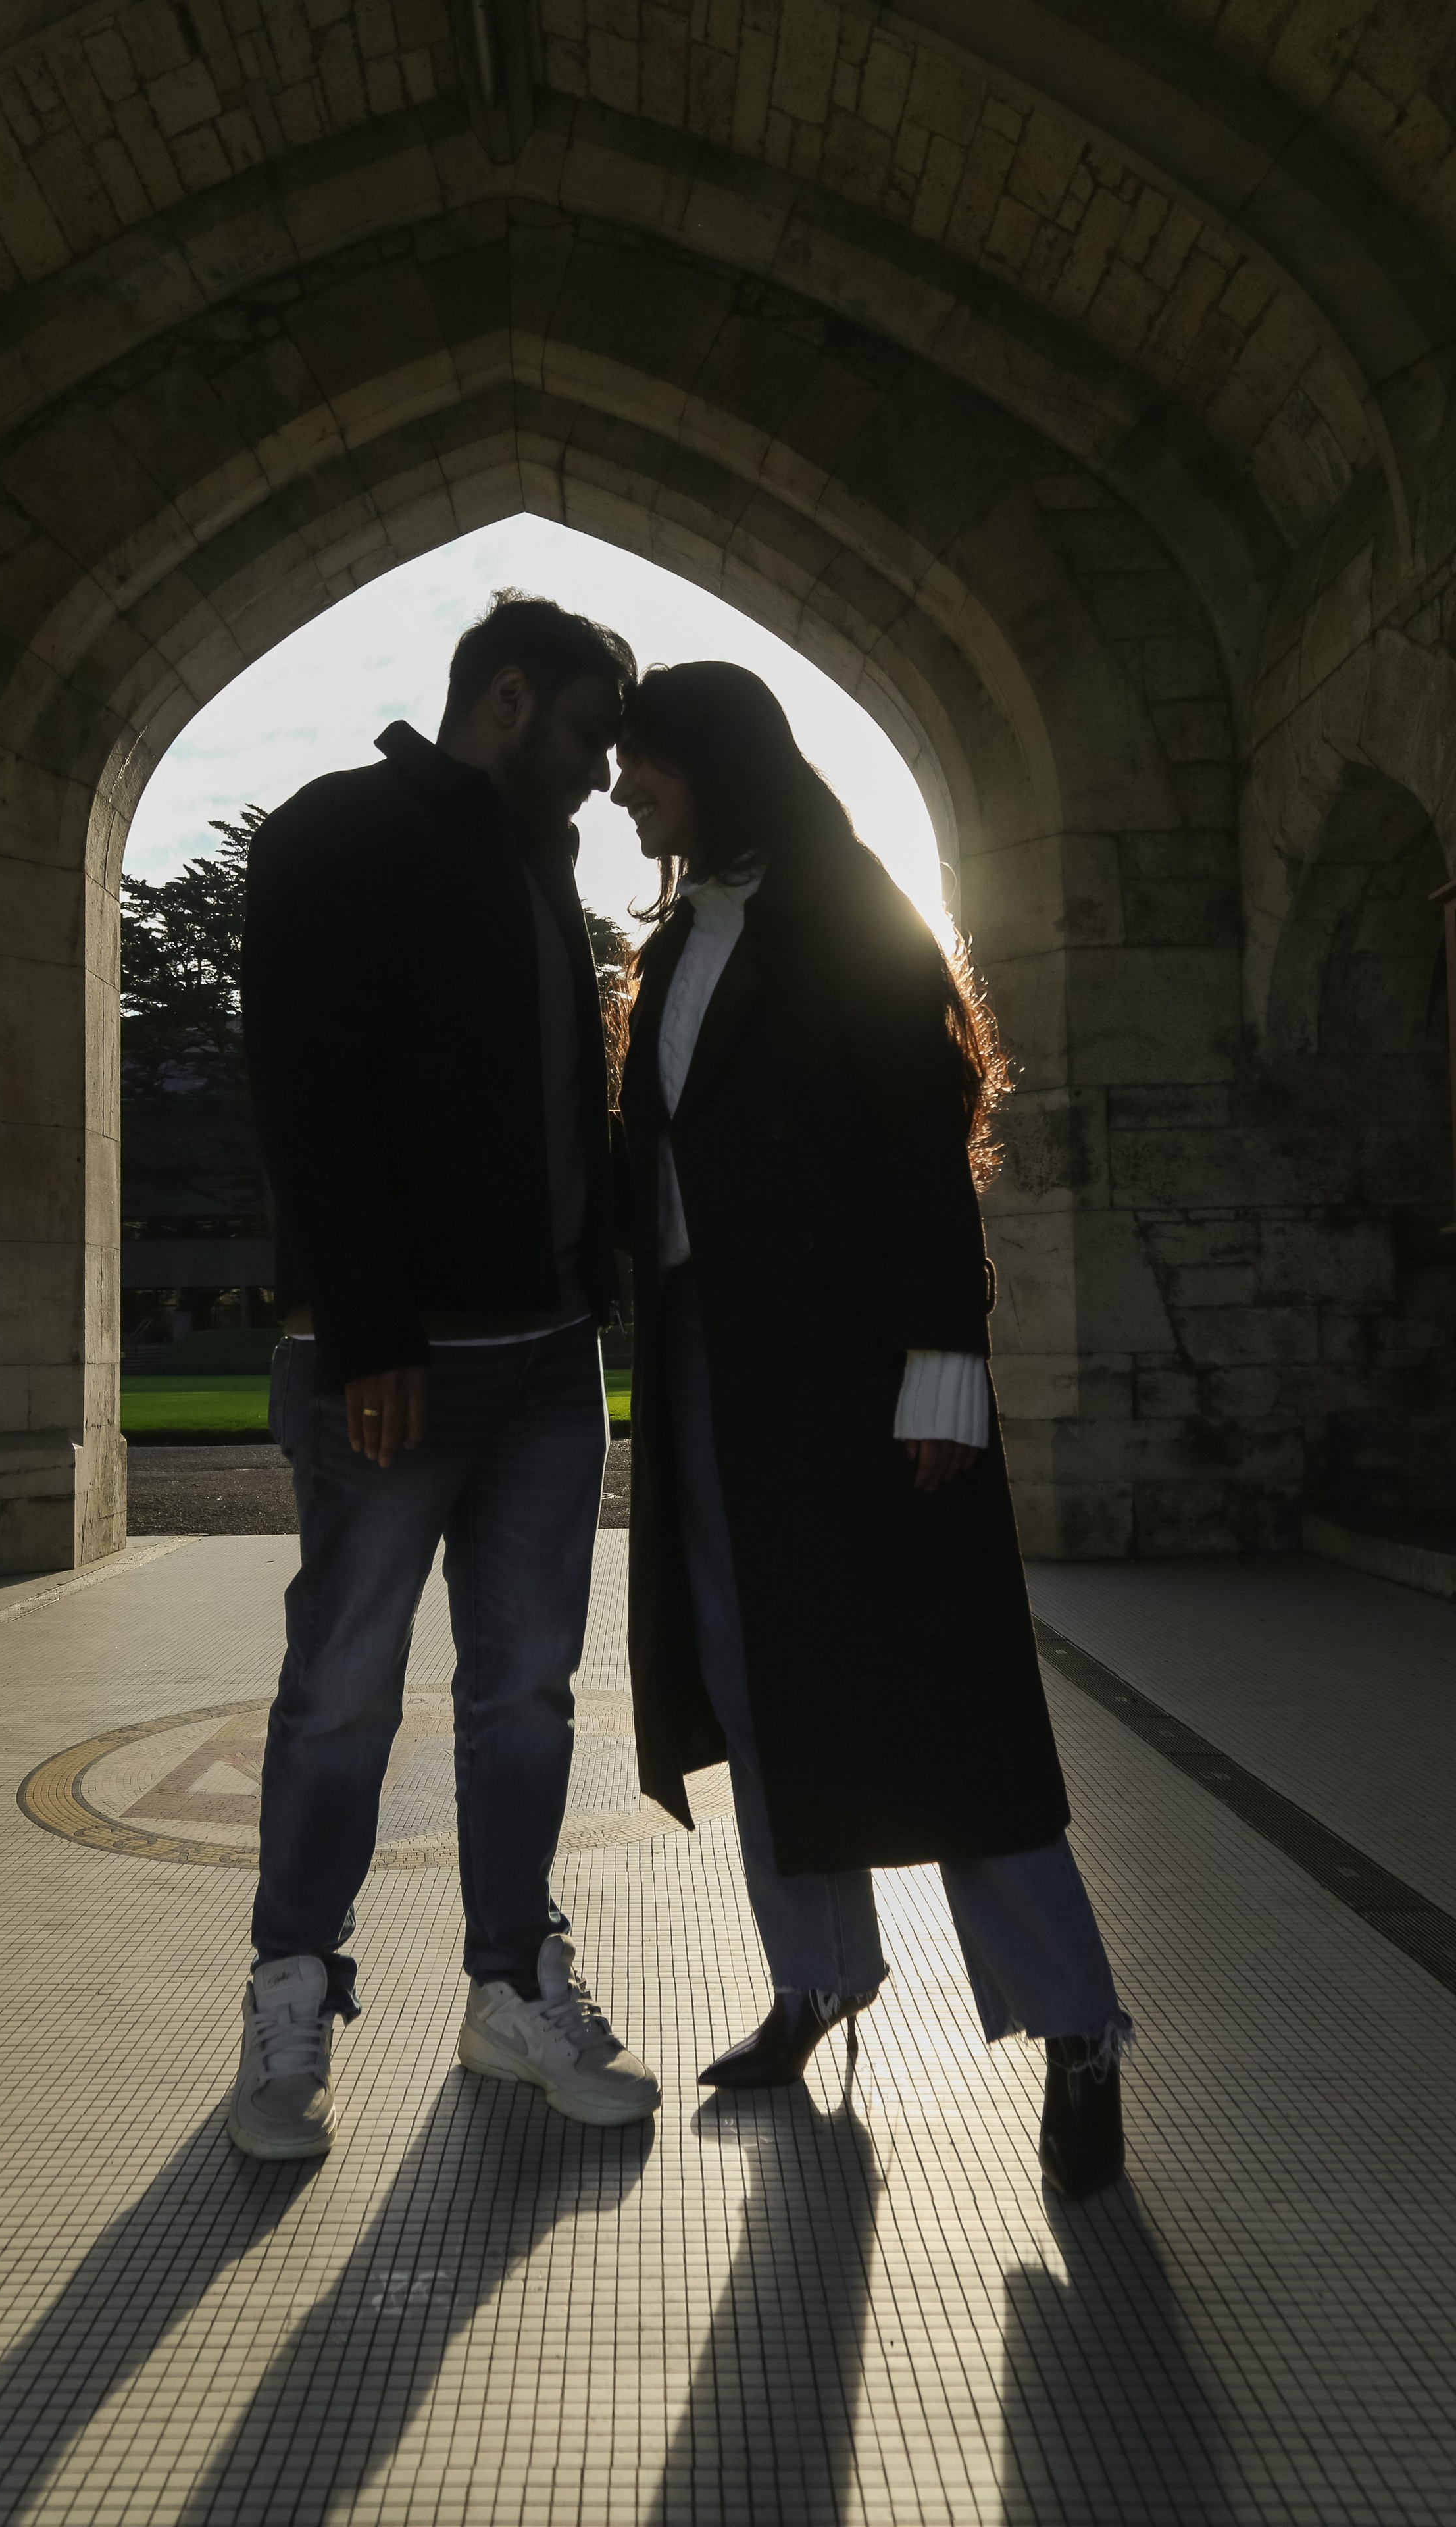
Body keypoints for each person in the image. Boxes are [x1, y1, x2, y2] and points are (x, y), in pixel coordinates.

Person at [612, 661, 1132, 2199]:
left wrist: (940, 1358)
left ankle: (1077, 2031)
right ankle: (818, 1980)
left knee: (943, 1705)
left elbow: (921, 1147)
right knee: (754, 1673)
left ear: (718, 762)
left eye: (646, 764)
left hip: (856, 1366)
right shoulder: (680, 934)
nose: (624, 790)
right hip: (719, 1368)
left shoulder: (849, 913)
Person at [230, 592, 663, 2160]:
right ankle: (289, 2001)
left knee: (525, 1696)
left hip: (546, 1355)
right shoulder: (338, 834)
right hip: (392, 1366)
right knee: (342, 1691)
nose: (603, 774)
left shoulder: (541, 866)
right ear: (503, 703)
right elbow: (306, 1086)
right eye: (586, 734)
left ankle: (507, 1990)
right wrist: (368, 1330)